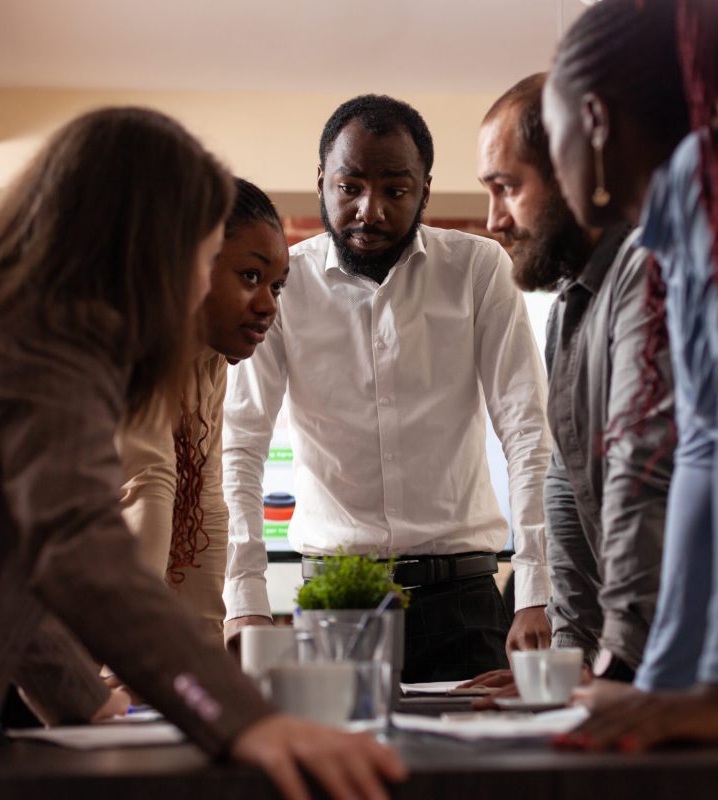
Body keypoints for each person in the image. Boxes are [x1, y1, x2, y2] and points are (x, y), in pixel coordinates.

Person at [0, 106, 405, 800]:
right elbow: (76, 546)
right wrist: (246, 721)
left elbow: (11, 557)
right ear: (146, 242)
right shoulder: (53, 343)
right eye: (202, 252)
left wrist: (78, 700)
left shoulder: (24, 320)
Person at [222, 94, 553, 682]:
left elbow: (527, 431)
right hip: (335, 600)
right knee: (341, 767)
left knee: (475, 770)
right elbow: (242, 443)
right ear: (322, 180)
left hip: (465, 599)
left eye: (395, 191)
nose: (368, 211)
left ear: (425, 190)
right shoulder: (284, 285)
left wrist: (536, 588)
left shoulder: (478, 269)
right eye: (349, 187)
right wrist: (244, 599)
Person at [541, 0, 718, 750]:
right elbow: (700, 448)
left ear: (592, 119)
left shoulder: (705, 174)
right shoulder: (673, 222)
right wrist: (666, 676)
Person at [464, 73, 673, 699]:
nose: (494, 220)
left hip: (684, 659)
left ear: (576, 170)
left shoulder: (648, 269)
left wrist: (621, 666)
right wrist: (571, 656)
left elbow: (644, 474)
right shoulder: (567, 307)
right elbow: (567, 480)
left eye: (507, 188)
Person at [118, 177, 289, 645]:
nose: (268, 305)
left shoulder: (210, 358)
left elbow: (206, 508)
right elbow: (147, 491)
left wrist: (206, 650)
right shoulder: (130, 344)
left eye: (277, 286)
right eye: (250, 277)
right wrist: (131, 671)